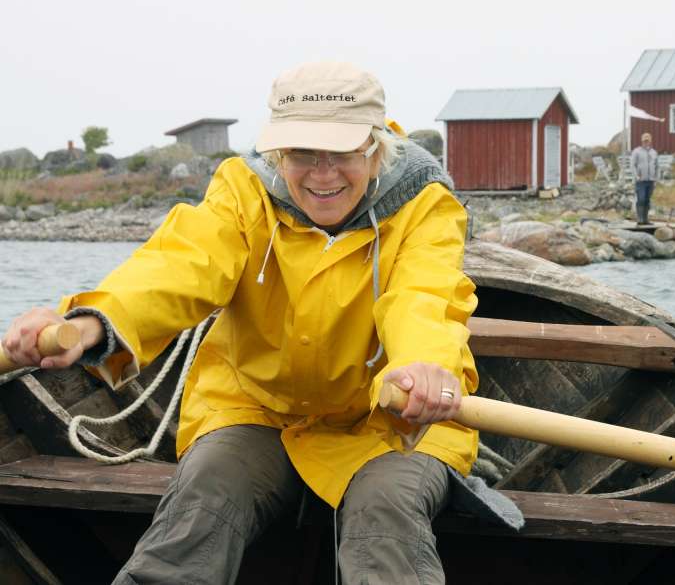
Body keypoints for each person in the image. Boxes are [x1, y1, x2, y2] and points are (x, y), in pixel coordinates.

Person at [1, 61, 480, 584]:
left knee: (385, 514)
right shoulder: (242, 191)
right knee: (203, 496)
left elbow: (424, 297)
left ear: (373, 147)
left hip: (395, 419)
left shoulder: (426, 205)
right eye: (302, 153)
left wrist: (424, 368)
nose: (322, 174)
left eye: (341, 152)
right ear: (278, 151)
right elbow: (183, 266)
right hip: (258, 406)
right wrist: (93, 322)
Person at [630, 131, 658, 224]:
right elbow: (632, 165)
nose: (646, 141)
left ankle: (645, 220)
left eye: (648, 140)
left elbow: (657, 166)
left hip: (651, 180)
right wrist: (636, 176)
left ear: (650, 141)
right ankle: (640, 219)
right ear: (642, 140)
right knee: (641, 199)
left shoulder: (654, 152)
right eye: (644, 140)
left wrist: (656, 179)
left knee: (647, 200)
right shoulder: (636, 151)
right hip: (641, 180)